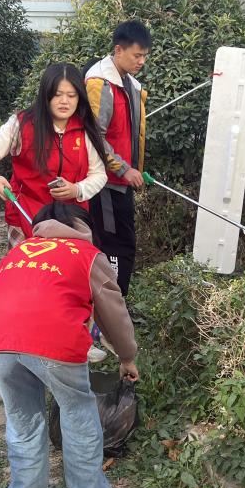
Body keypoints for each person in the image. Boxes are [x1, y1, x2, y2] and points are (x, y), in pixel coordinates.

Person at [0, 202, 139, 488]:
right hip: (52, 338)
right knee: (77, 412)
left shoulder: (19, 251)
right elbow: (113, 310)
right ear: (84, 226)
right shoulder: (87, 254)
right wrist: (126, 356)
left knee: (22, 419)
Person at [0, 63, 108, 248]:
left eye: (71, 95)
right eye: (57, 94)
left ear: (80, 97)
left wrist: (77, 189)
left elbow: (99, 174)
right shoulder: (22, 124)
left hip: (71, 221)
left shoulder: (85, 129)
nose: (64, 101)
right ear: (46, 95)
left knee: (66, 267)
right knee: (29, 266)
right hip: (26, 217)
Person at [84, 20, 151, 299]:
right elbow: (94, 136)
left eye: (145, 56)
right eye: (137, 55)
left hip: (121, 183)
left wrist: (135, 170)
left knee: (124, 244)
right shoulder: (100, 83)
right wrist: (124, 169)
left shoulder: (130, 84)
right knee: (113, 246)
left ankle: (116, 304)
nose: (141, 61)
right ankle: (110, 307)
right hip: (106, 183)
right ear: (118, 50)